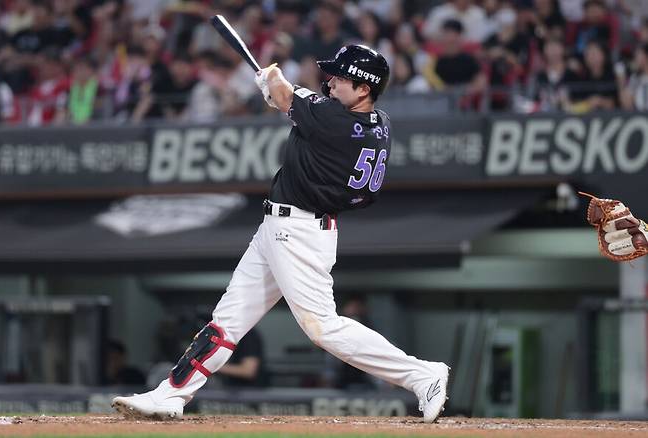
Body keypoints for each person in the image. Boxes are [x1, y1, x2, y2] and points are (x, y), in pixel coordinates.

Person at [111, 44, 449, 423]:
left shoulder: (333, 119)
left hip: (300, 231)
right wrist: (276, 92)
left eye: (340, 78)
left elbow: (284, 92)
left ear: (364, 89)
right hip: (285, 226)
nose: (330, 83)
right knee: (228, 321)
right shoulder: (377, 121)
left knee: (323, 328)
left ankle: (422, 374)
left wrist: (269, 76)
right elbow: (291, 103)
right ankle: (171, 394)